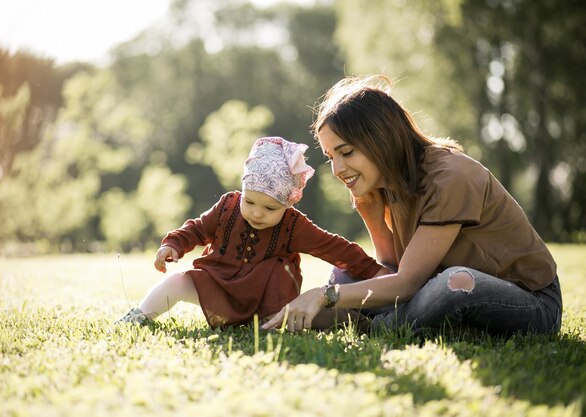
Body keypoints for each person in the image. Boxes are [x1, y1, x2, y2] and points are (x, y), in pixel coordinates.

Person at [262, 75, 562, 336]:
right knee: (347, 274)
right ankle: (295, 316)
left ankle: (375, 325)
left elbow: (405, 284)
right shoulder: (384, 184)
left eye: (347, 152)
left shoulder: (451, 176)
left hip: (529, 300)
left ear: (381, 139)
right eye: (330, 157)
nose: (338, 169)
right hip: (428, 283)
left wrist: (325, 295)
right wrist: (373, 214)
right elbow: (390, 268)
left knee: (454, 283)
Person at [116, 136, 385, 328]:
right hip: (218, 284)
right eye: (250, 202)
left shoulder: (292, 225)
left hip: (271, 301)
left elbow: (333, 247)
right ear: (242, 191)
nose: (257, 213)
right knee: (175, 283)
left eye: (269, 208)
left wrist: (377, 273)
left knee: (309, 318)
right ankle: (140, 316)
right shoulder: (227, 207)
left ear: (288, 203)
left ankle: (359, 321)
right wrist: (173, 244)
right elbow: (198, 229)